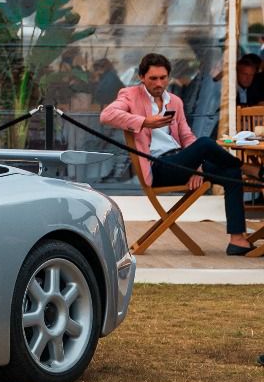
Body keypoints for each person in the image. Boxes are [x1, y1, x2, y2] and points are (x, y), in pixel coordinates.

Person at [100, 52, 252, 255]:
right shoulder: (130, 95)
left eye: (163, 78)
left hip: (181, 162)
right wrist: (145, 122)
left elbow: (187, 137)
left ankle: (237, 240)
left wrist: (196, 166)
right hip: (158, 168)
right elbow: (106, 115)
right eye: (153, 78)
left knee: (231, 175)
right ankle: (249, 168)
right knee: (206, 143)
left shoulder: (175, 102)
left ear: (169, 78)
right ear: (142, 77)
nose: (158, 83)